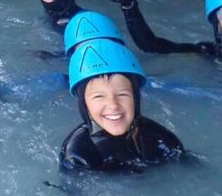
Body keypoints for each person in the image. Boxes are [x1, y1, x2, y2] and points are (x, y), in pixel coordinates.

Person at [60, 38, 186, 172]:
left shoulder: (160, 139)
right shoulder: (78, 153)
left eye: (122, 94)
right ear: (84, 104)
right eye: (99, 97)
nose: (113, 105)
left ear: (135, 98)